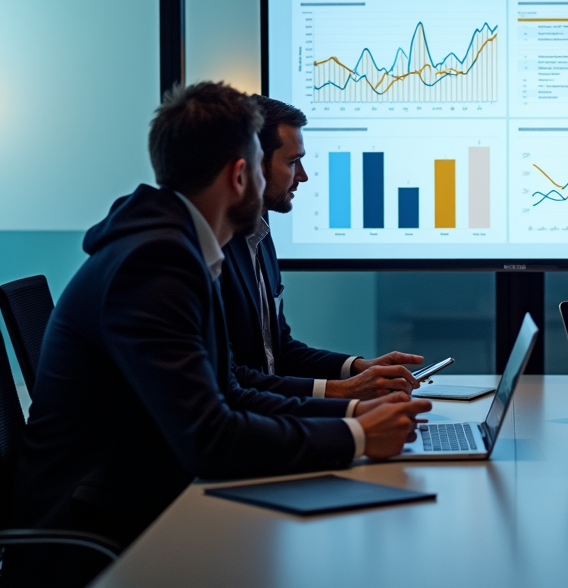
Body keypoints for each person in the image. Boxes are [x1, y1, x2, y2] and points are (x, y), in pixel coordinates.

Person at [7, 82, 430, 587]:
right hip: (100, 534)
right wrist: (358, 435)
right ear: (239, 176)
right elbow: (210, 438)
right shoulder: (154, 265)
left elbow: (228, 389)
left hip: (148, 498)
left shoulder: (176, 248)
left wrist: (353, 411)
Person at [220, 95, 424, 401]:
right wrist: (343, 394)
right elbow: (231, 376)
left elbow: (278, 350)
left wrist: (357, 368)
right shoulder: (214, 251)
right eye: (292, 162)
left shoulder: (259, 232)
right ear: (252, 167)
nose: (302, 175)